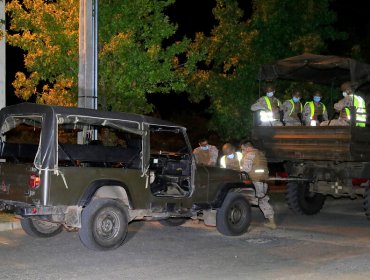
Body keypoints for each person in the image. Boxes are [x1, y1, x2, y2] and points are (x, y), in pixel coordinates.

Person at [240, 140, 276, 229]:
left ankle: (272, 222)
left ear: (247, 147)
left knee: (262, 201)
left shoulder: (249, 155)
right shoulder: (260, 153)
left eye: (243, 149)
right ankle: (271, 221)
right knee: (262, 200)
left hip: (257, 181)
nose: (243, 150)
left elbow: (245, 169)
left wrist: (242, 160)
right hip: (263, 181)